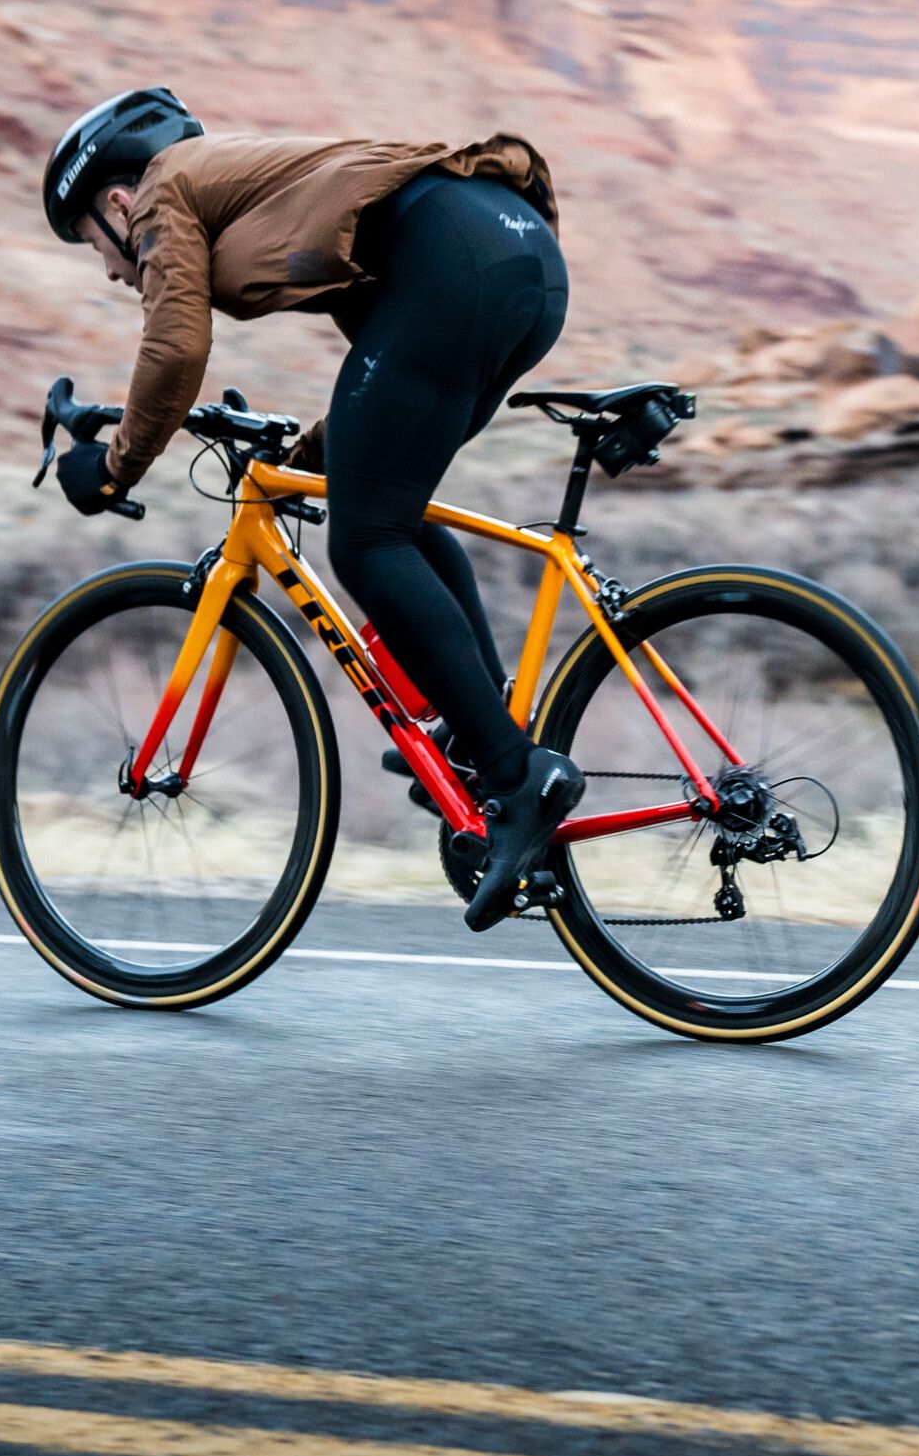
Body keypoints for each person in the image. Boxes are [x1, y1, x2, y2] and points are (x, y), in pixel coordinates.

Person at [37, 86, 581, 930]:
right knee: (392, 512)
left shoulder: (162, 189)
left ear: (115, 202)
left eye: (95, 247)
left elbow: (175, 345)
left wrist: (113, 468)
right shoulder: (253, 181)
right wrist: (310, 461)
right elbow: (389, 363)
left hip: (456, 264)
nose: (111, 268)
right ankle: (487, 743)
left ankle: (516, 777)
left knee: (366, 546)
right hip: (519, 256)